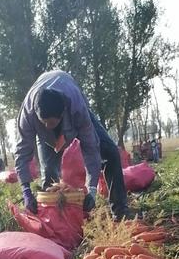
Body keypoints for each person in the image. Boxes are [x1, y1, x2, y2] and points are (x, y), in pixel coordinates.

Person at [15, 70, 130, 221]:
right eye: (45, 123)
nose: (49, 126)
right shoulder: (27, 115)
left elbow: (90, 147)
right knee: (49, 173)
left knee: (111, 153)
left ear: (62, 113)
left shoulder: (77, 108)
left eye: (53, 123)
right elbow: (22, 155)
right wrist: (26, 191)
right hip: (46, 137)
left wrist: (92, 189)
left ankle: (120, 212)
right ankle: (54, 221)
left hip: (73, 111)